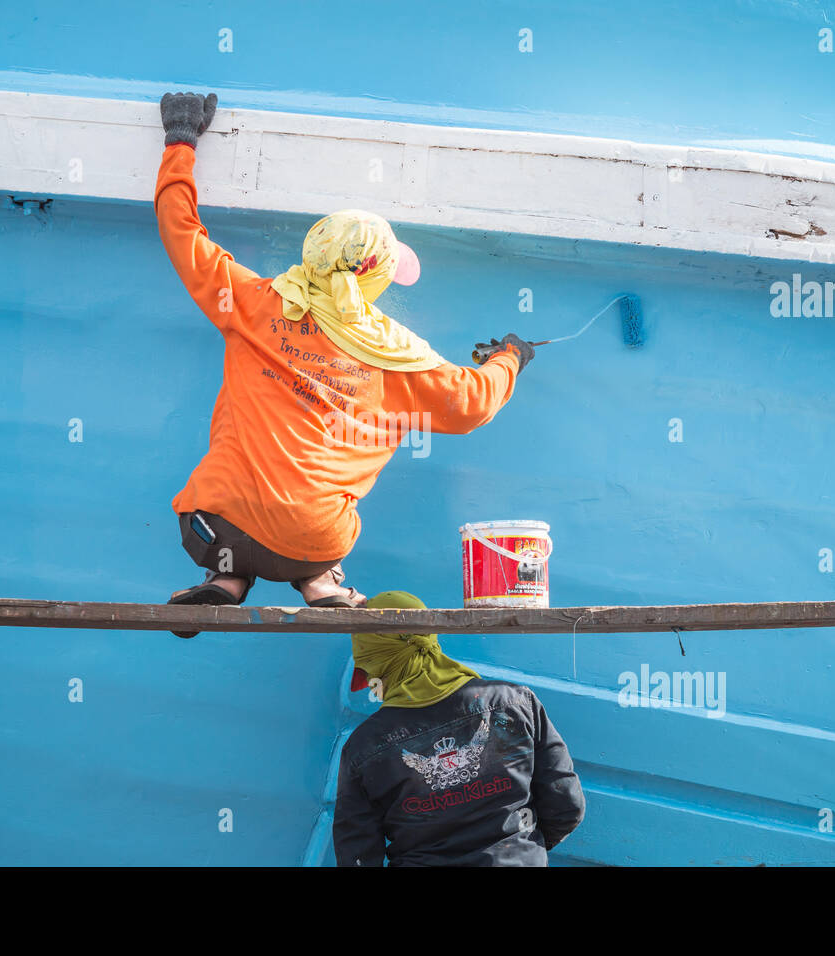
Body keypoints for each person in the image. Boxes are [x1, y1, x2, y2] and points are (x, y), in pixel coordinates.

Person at [154, 92, 535, 634]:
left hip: (215, 530)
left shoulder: (251, 302)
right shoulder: (398, 357)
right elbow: (474, 403)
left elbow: (181, 233)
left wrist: (181, 141)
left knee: (230, 512)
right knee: (316, 517)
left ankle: (224, 583)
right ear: (377, 279)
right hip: (313, 541)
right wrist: (510, 358)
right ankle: (322, 584)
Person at [333, 591, 585, 866]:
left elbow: (356, 855)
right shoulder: (515, 702)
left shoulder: (364, 745)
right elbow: (566, 805)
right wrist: (524, 851)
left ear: (375, 659)